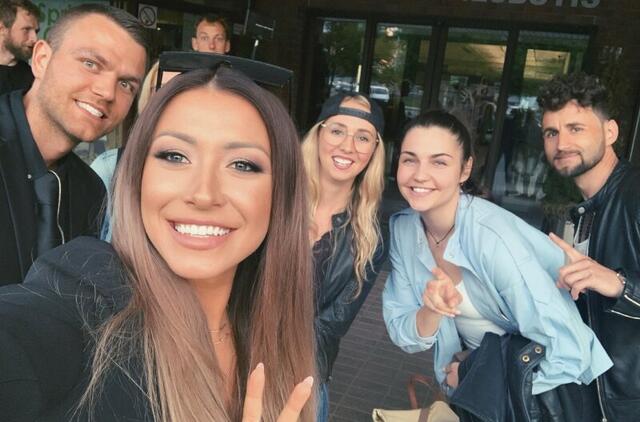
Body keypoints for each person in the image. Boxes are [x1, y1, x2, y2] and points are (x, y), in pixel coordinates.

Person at [0, 66, 317, 421]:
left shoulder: (272, 331)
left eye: (242, 165)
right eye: (175, 156)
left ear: (281, 194)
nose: (203, 194)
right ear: (137, 176)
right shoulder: (91, 297)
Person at [382, 110, 611, 419]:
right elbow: (403, 333)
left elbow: (570, 351)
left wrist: (476, 377)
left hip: (539, 396)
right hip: (476, 392)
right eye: (409, 159)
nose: (420, 175)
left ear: (465, 169)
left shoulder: (492, 239)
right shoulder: (404, 229)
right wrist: (431, 311)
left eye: (439, 162)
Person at [0, 4, 149, 286]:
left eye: (126, 84)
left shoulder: (91, 190)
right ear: (41, 59)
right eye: (91, 64)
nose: (107, 92)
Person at [538, 72, 640, 422]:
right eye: (551, 132)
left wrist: (619, 284)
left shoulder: (634, 196)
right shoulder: (587, 209)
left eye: (576, 128)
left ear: (610, 132)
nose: (561, 143)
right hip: (596, 397)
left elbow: (612, 284)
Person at [301, 93, 387, 421]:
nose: (348, 146)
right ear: (318, 134)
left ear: (374, 151)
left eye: (362, 137)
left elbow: (331, 326)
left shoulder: (370, 239)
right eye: (337, 131)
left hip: (304, 376)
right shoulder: (275, 199)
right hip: (229, 360)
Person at [0, 0, 39, 94]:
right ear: (2, 29)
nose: (34, 39)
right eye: (26, 29)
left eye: (36, 31)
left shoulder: (31, 77)